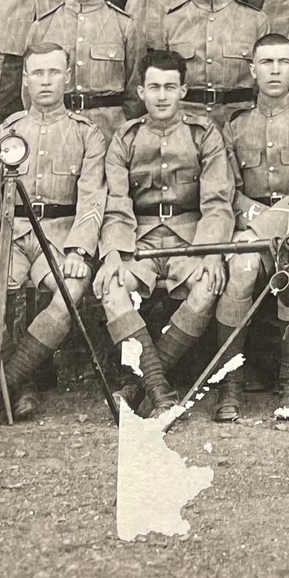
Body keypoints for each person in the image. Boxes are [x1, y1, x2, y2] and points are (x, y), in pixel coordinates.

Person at [0, 43, 113, 422]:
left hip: (59, 237)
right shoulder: (7, 131)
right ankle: (19, 388)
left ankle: (13, 381)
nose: (46, 81)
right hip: (9, 234)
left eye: (54, 72)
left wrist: (80, 252)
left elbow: (92, 198)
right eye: (38, 73)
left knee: (69, 295)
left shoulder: (87, 134)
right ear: (25, 79)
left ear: (68, 76)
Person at [95, 49, 234, 415]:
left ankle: (146, 384)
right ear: (140, 92)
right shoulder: (125, 138)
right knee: (111, 289)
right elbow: (116, 202)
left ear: (183, 91)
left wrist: (211, 251)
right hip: (137, 237)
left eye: (170, 87)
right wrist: (112, 255)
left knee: (207, 286)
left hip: (190, 237)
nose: (161, 96)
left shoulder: (204, 134)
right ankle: (160, 390)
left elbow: (218, 201)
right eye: (153, 87)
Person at [208, 34, 289, 422]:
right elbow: (230, 192)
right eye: (266, 62)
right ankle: (230, 385)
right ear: (252, 70)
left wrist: (265, 227)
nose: (274, 70)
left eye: (282, 62)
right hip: (248, 228)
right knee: (241, 273)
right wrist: (255, 224)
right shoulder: (236, 125)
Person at [19, 0, 134, 139]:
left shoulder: (125, 26)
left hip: (109, 134)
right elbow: (29, 94)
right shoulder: (42, 26)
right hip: (56, 133)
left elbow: (135, 95)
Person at [151, 0, 264, 110]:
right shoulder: (172, 21)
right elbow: (159, 83)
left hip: (237, 121)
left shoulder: (256, 21)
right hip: (187, 122)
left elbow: (264, 88)